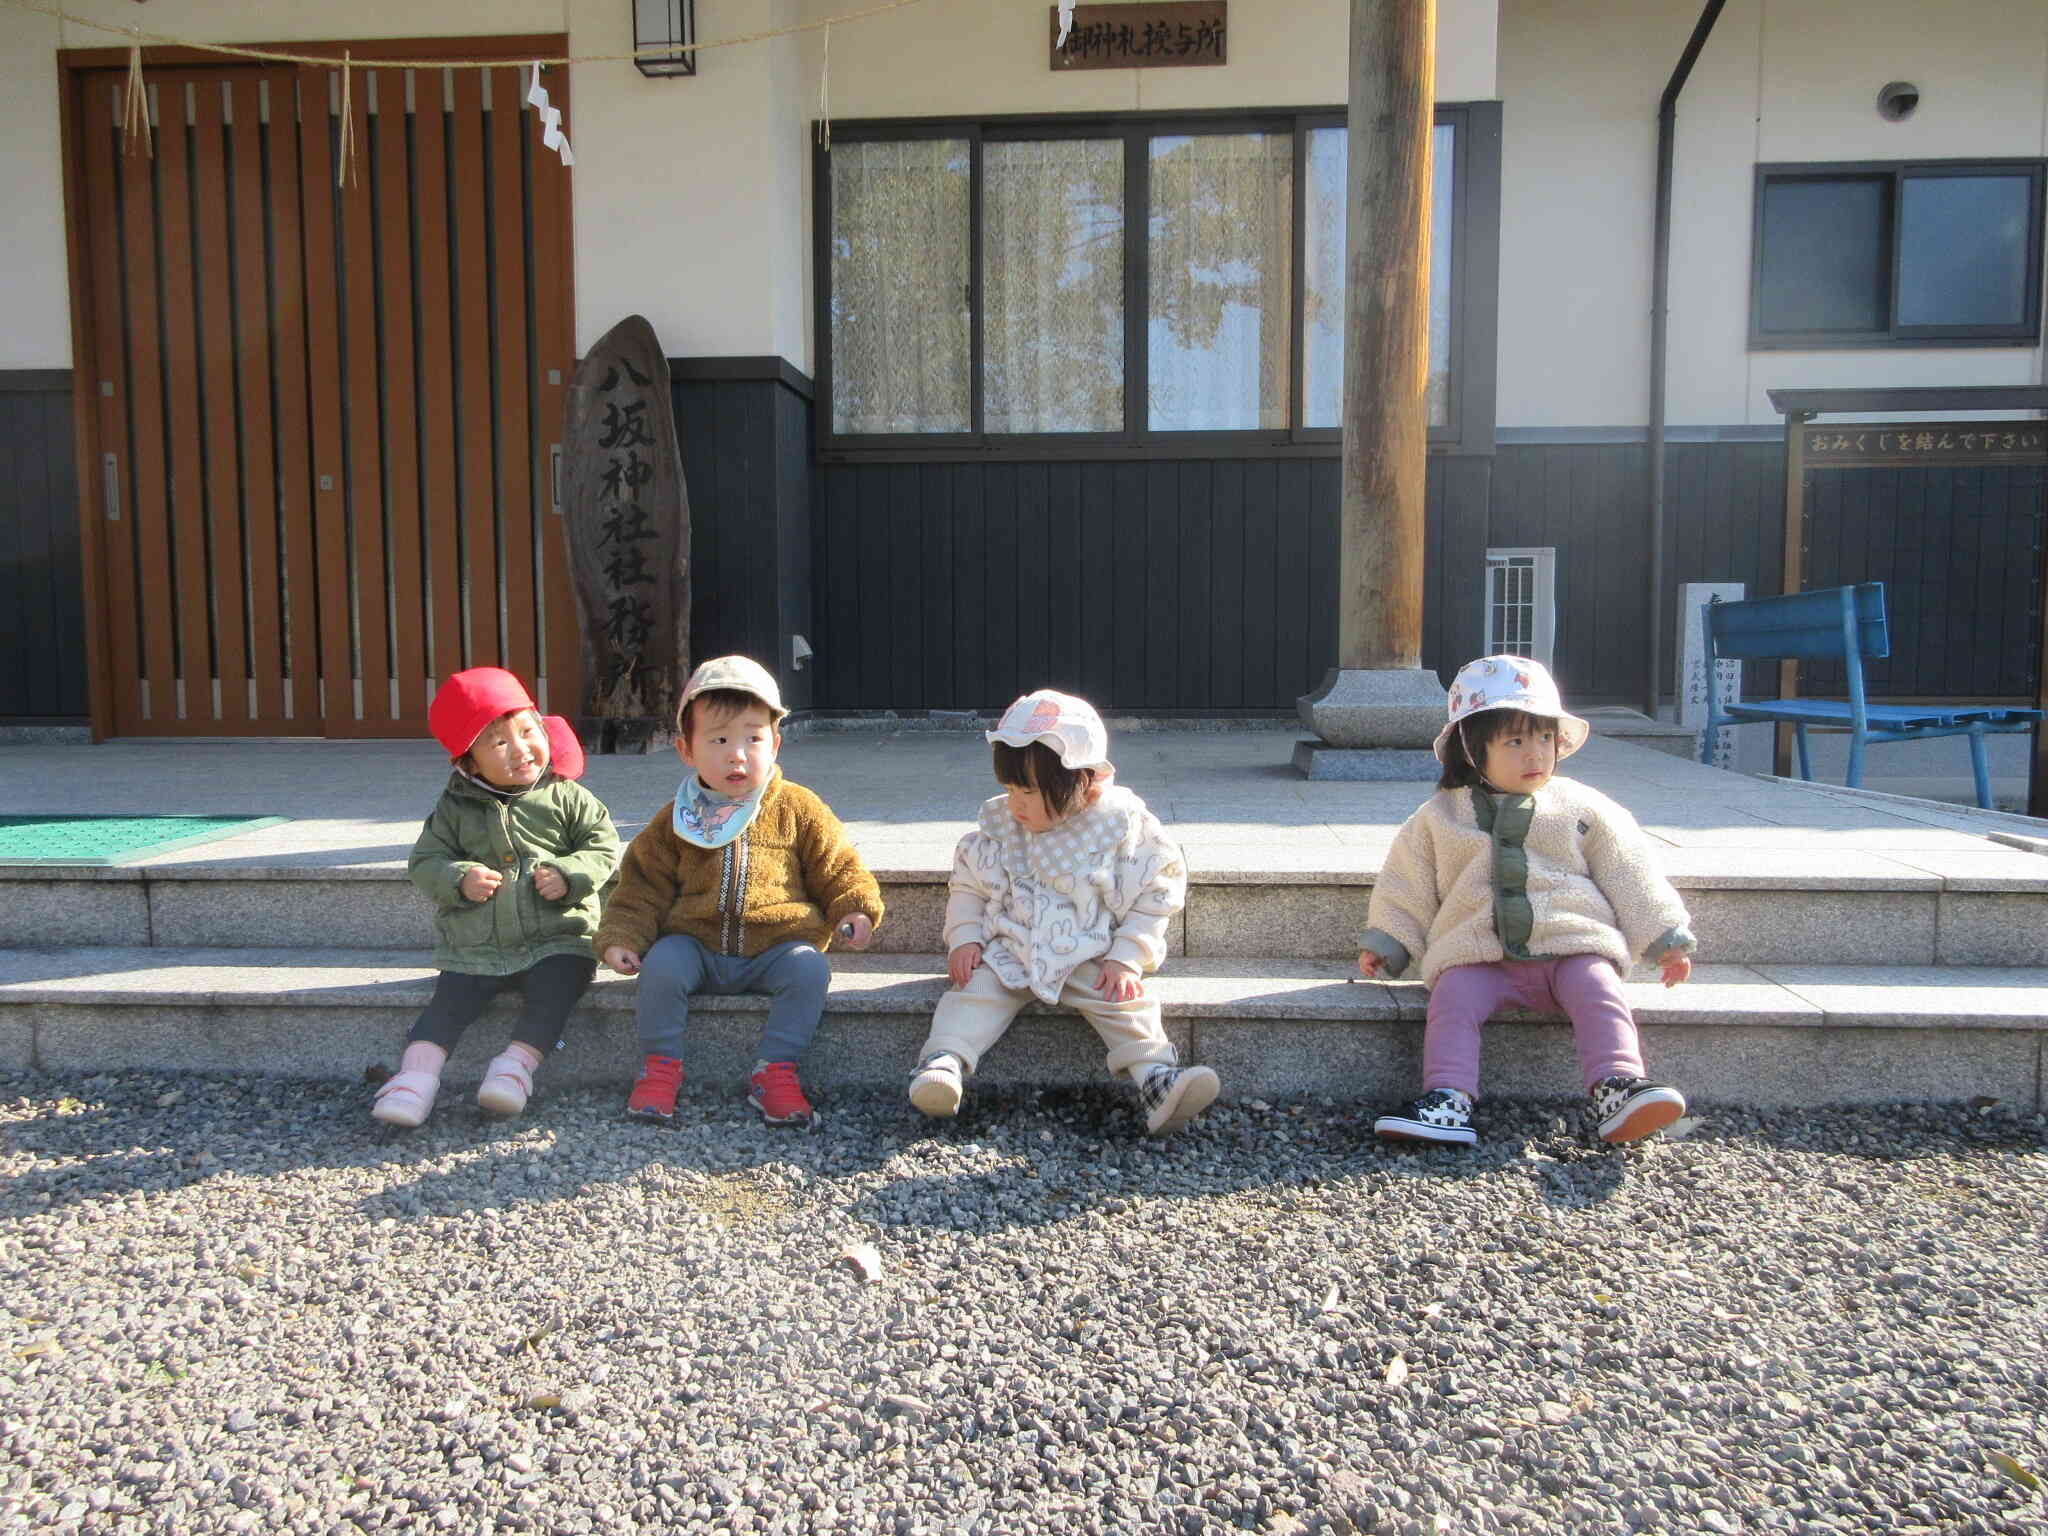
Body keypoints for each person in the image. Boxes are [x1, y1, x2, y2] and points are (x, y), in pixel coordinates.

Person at [1358, 655, 1695, 1146]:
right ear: (1472, 750)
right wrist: (1389, 939)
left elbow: (1629, 870)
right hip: (1478, 957)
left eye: (1544, 738)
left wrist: (1665, 935)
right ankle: (1448, 1099)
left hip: (1571, 947)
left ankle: (1618, 1086)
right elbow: (1406, 882)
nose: (1534, 754)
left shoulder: (1583, 807)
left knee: (1600, 988)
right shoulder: (1438, 818)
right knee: (1451, 1001)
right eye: (1514, 741)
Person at [907, 689, 1219, 1136]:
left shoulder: (1124, 829)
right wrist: (965, 938)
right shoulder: (1001, 829)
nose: (1016, 803)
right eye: (1009, 788)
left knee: (1125, 1003)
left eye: (1029, 790)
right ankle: (942, 1062)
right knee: (973, 992)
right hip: (1011, 946)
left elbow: (1157, 890)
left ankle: (1156, 1079)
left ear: (1086, 782)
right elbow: (969, 884)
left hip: (1089, 951)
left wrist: (1127, 954)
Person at [596, 656, 883, 1129]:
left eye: (753, 738)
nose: (737, 754)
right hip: (697, 945)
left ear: (776, 742)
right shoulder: (676, 819)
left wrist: (854, 908)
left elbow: (838, 865)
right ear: (686, 749)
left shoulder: (798, 807)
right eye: (719, 739)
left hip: (775, 946)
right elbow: (641, 886)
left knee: (809, 969)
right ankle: (660, 1066)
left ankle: (776, 1069)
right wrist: (622, 936)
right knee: (662, 966)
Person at [373, 668, 621, 1127]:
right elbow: (424, 862)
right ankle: (414, 1078)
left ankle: (515, 1067)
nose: (522, 749)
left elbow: (603, 847)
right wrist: (459, 877)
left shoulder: (568, 796)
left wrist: (571, 874)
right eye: (499, 743)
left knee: (557, 994)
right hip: (476, 944)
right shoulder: (454, 808)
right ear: (469, 762)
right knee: (449, 1003)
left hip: (558, 936)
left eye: (529, 731)